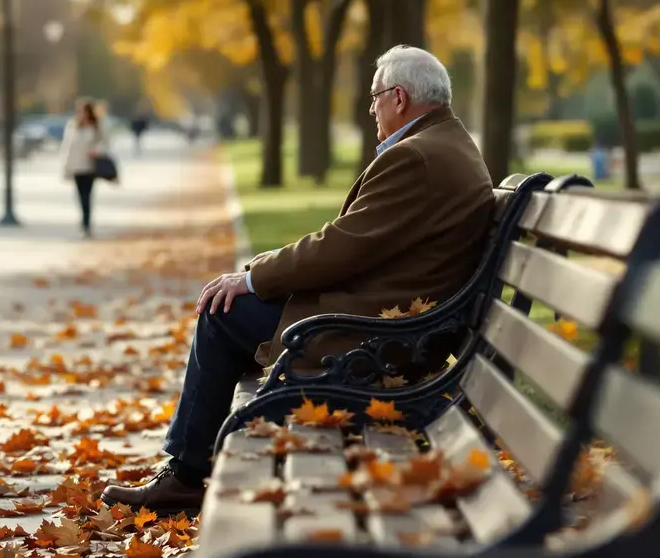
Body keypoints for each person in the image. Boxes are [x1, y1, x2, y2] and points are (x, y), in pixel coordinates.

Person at [100, 45, 497, 514]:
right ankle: (191, 462)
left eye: (374, 98)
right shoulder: (444, 144)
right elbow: (354, 242)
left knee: (220, 313)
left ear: (398, 98)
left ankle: (186, 474)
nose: (370, 108)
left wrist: (251, 280)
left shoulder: (417, 157)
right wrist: (260, 270)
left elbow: (340, 246)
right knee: (235, 306)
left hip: (379, 337)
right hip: (405, 321)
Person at [59, 98, 109, 239]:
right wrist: (66, 167)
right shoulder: (73, 126)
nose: (83, 114)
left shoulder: (97, 126)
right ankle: (83, 220)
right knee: (79, 196)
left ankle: (87, 224)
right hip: (76, 166)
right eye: (80, 111)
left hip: (90, 166)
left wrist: (96, 151)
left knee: (87, 196)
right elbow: (67, 147)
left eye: (85, 111)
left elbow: (105, 143)